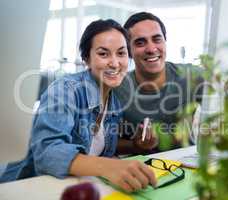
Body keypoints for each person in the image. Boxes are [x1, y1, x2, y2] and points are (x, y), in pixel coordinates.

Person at [0, 19, 156, 192]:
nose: (114, 63)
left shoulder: (114, 102)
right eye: (103, 54)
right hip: (24, 187)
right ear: (86, 59)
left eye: (121, 53)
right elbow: (47, 153)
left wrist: (135, 146)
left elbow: (100, 148)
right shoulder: (64, 90)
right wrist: (108, 166)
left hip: (74, 188)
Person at [115, 12, 204, 154]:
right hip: (138, 166)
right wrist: (135, 145)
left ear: (165, 42)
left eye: (157, 39)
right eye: (140, 42)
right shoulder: (117, 88)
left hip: (185, 163)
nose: (151, 49)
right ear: (129, 51)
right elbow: (104, 142)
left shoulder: (193, 76)